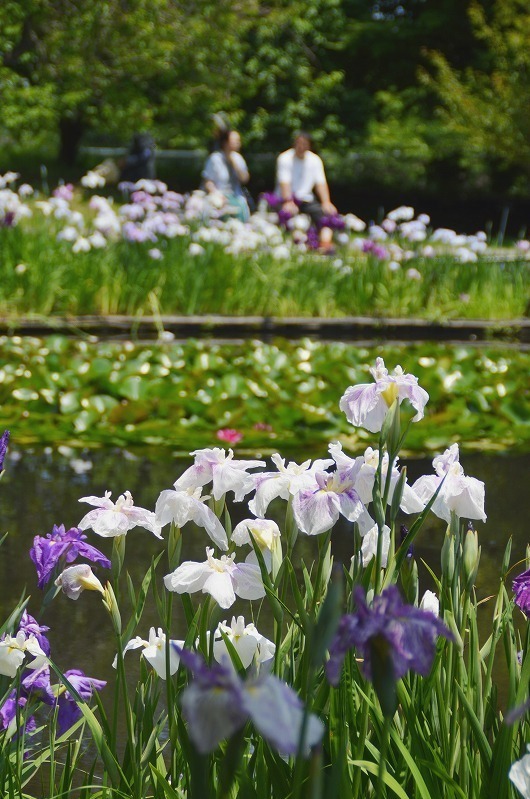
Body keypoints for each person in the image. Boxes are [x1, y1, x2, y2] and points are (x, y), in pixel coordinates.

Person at [276, 132, 338, 251]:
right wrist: (288, 201)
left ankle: (325, 246)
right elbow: (284, 183)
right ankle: (297, 245)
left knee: (326, 216)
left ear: (309, 145)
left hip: (307, 199)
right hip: (286, 198)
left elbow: (321, 183)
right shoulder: (285, 158)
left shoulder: (315, 160)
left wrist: (326, 202)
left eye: (304, 144)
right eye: (298, 143)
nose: (301, 146)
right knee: (289, 216)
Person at [202, 129, 250, 222]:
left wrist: (234, 163)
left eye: (238, 140)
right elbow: (208, 182)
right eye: (234, 140)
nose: (238, 143)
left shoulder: (238, 158)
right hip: (219, 197)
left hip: (236, 197)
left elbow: (244, 179)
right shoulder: (215, 159)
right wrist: (216, 195)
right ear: (225, 142)